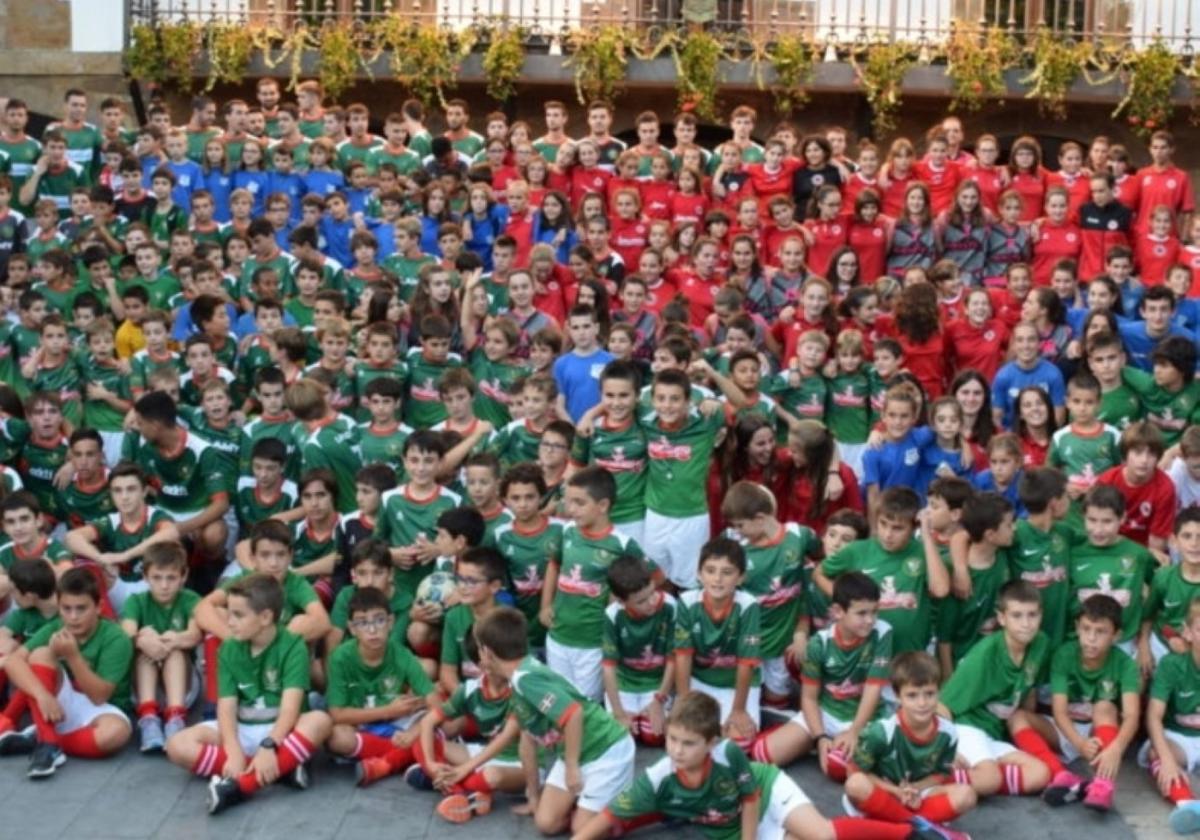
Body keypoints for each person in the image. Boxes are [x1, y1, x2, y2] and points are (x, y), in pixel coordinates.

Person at [164, 574, 332, 814]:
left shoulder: (293, 645)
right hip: (243, 728)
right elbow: (226, 707)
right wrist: (233, 752)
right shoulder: (230, 648)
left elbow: (289, 710)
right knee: (177, 746)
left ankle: (241, 785)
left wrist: (268, 746)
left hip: (281, 732)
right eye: (229, 613)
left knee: (320, 721)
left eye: (238, 615)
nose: (229, 622)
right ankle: (281, 769)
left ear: (265, 617)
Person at [475, 606, 635, 835]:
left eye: (479, 650)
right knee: (546, 823)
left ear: (487, 653)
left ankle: (633, 808)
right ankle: (587, 804)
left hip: (606, 750)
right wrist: (533, 795)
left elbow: (573, 714)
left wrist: (571, 768)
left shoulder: (525, 679)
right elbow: (527, 741)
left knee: (582, 830)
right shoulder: (517, 677)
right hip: (575, 751)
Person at [1, 567, 133, 779]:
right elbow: (13, 661)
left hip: (102, 708)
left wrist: (73, 657)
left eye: (81, 609)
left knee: (115, 735)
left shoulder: (116, 638)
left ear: (98, 607)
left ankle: (41, 737)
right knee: (41, 654)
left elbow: (99, 697)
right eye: (66, 609)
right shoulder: (56, 626)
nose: (73, 617)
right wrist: (42, 695)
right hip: (58, 703)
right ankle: (49, 744)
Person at [938, 580, 1053, 799]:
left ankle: (975, 777)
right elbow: (942, 706)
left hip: (992, 734)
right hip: (966, 728)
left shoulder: (1041, 643)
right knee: (989, 779)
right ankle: (926, 783)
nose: (1026, 623)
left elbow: (1028, 693)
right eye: (1017, 615)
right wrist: (944, 750)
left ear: (1041, 615)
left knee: (1040, 774)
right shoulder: (984, 655)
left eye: (1032, 615)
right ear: (1001, 618)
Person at [844, 651, 978, 830]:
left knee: (967, 795)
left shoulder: (948, 733)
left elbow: (942, 774)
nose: (922, 703)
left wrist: (915, 788)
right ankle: (917, 827)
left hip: (918, 793)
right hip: (886, 791)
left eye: (929, 694)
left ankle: (895, 825)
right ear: (898, 696)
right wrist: (897, 792)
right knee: (856, 785)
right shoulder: (881, 732)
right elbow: (854, 772)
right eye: (912, 695)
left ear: (939, 691)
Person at [543, 466, 643, 701]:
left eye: (579, 503)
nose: (570, 509)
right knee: (559, 700)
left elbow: (648, 581)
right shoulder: (567, 532)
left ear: (603, 506)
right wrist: (545, 605)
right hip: (558, 635)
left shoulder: (622, 544)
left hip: (592, 643)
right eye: (568, 502)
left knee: (585, 704)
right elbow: (554, 565)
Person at [324, 586, 438, 786]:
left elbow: (435, 702)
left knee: (449, 720)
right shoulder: (340, 658)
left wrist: (413, 732)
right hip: (365, 724)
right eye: (362, 623)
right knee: (336, 738)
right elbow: (337, 714)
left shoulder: (401, 654)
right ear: (351, 628)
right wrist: (387, 711)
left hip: (400, 723)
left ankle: (388, 761)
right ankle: (412, 753)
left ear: (391, 622)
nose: (372, 630)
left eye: (379, 620)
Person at [118, 541, 201, 752]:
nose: (164, 585)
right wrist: (143, 640)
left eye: (171, 578)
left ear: (184, 576)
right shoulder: (136, 601)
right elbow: (127, 633)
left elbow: (195, 634)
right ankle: (148, 720)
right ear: (145, 577)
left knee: (173, 651)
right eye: (157, 578)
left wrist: (171, 640)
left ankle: (175, 718)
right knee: (144, 644)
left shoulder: (191, 599)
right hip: (145, 688)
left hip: (183, 688)